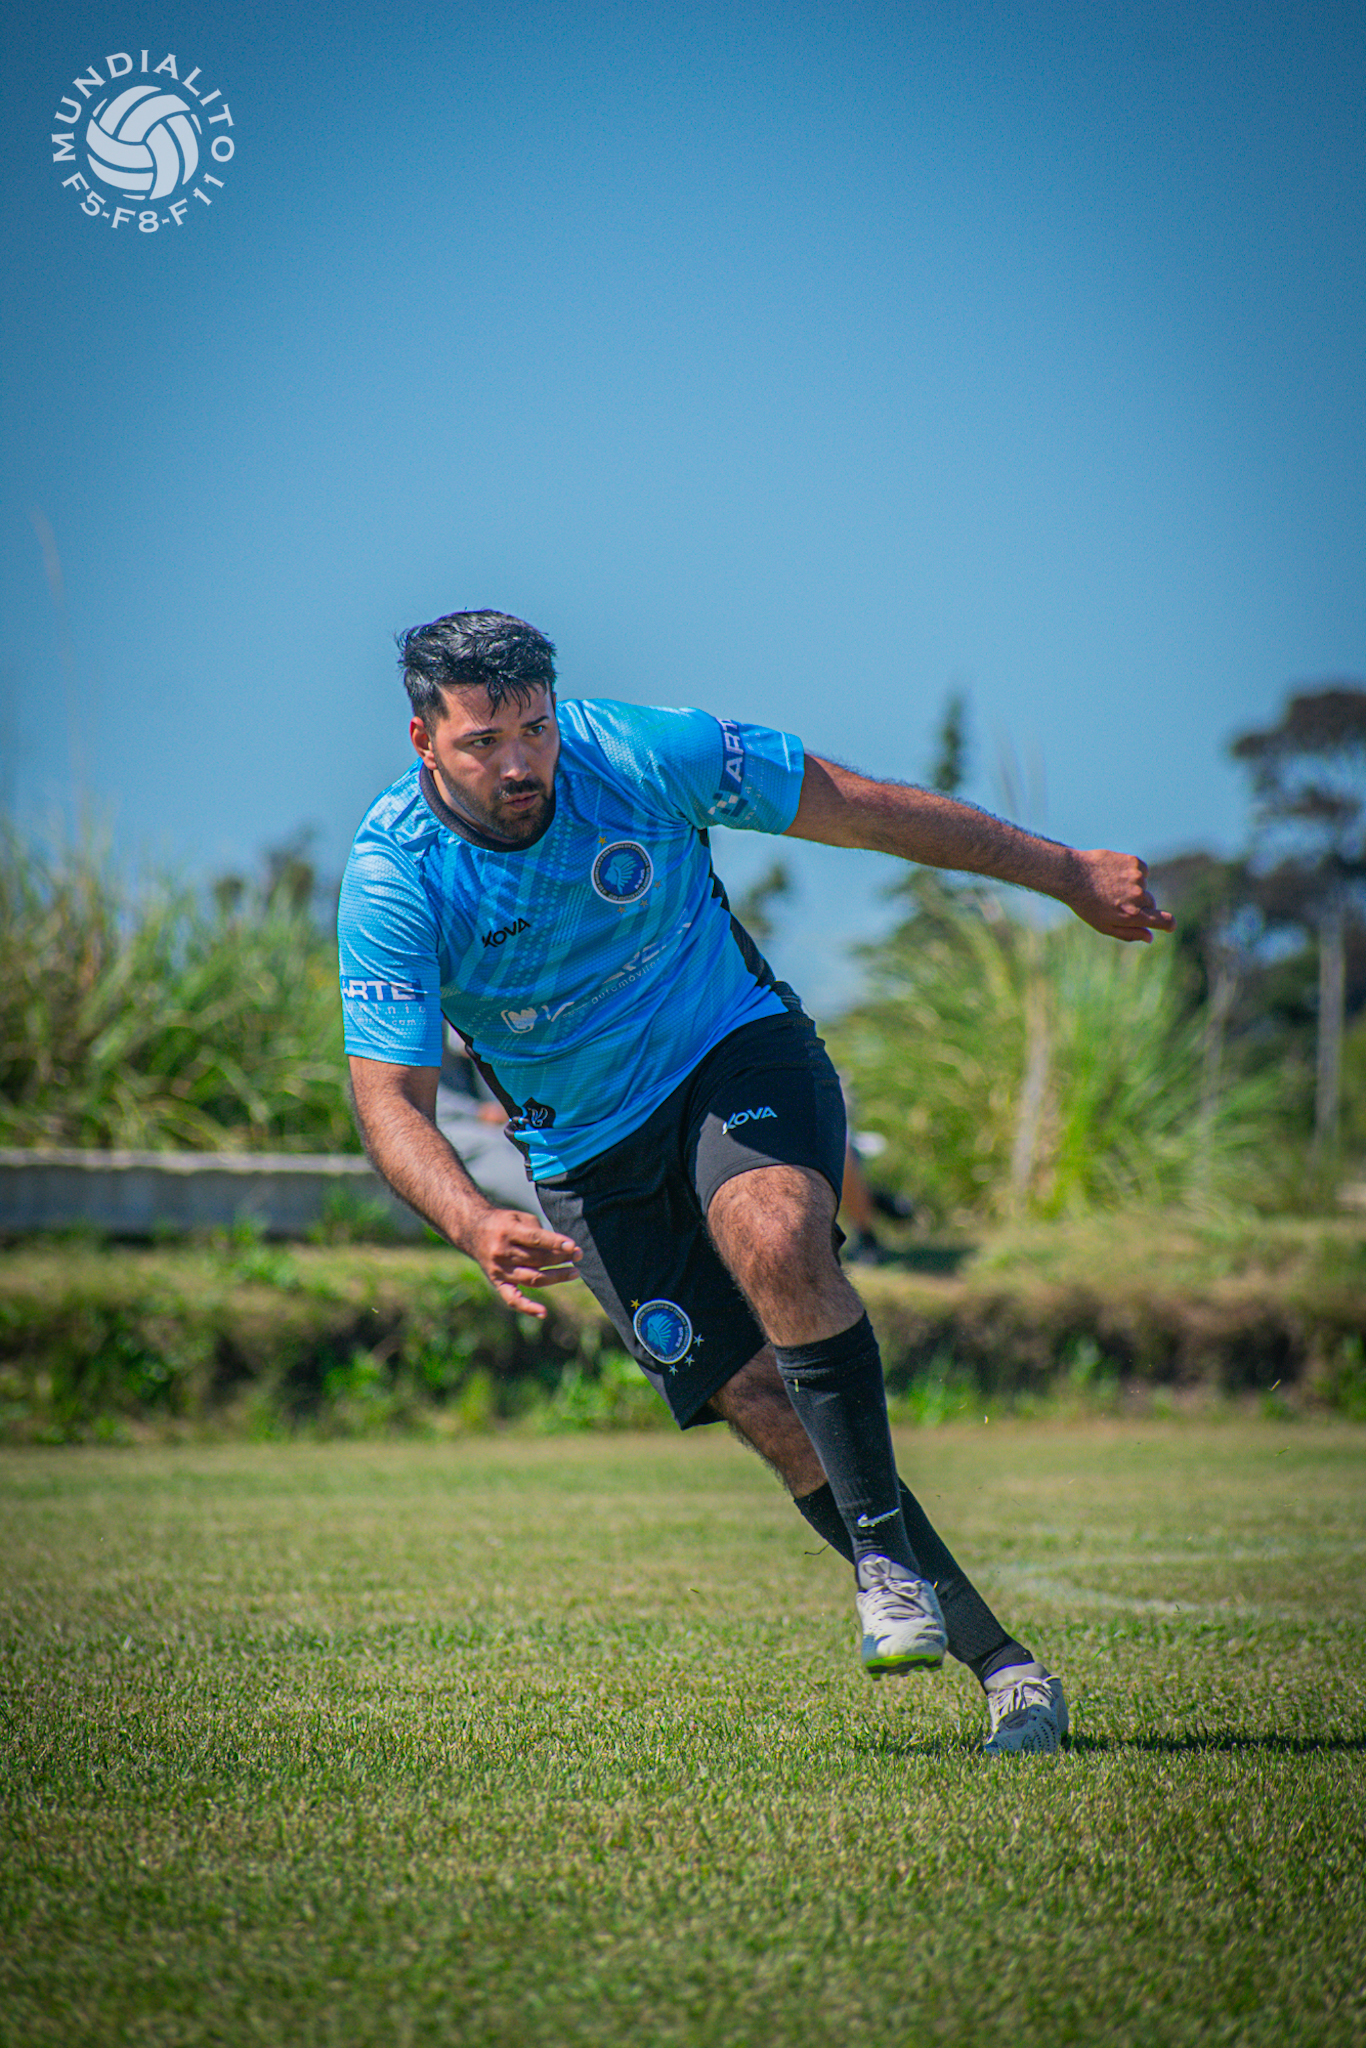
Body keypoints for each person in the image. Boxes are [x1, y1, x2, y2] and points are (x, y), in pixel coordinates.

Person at [338, 611, 1172, 1756]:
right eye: (485, 742)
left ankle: (884, 1560)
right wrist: (472, 1216)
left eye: (534, 728)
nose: (521, 762)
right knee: (768, 1408)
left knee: (776, 1234)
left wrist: (1065, 871)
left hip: (729, 1047)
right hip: (585, 1151)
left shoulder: (642, 753)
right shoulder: (394, 874)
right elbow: (389, 1099)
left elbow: (859, 806)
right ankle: (1007, 1668)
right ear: (424, 739)